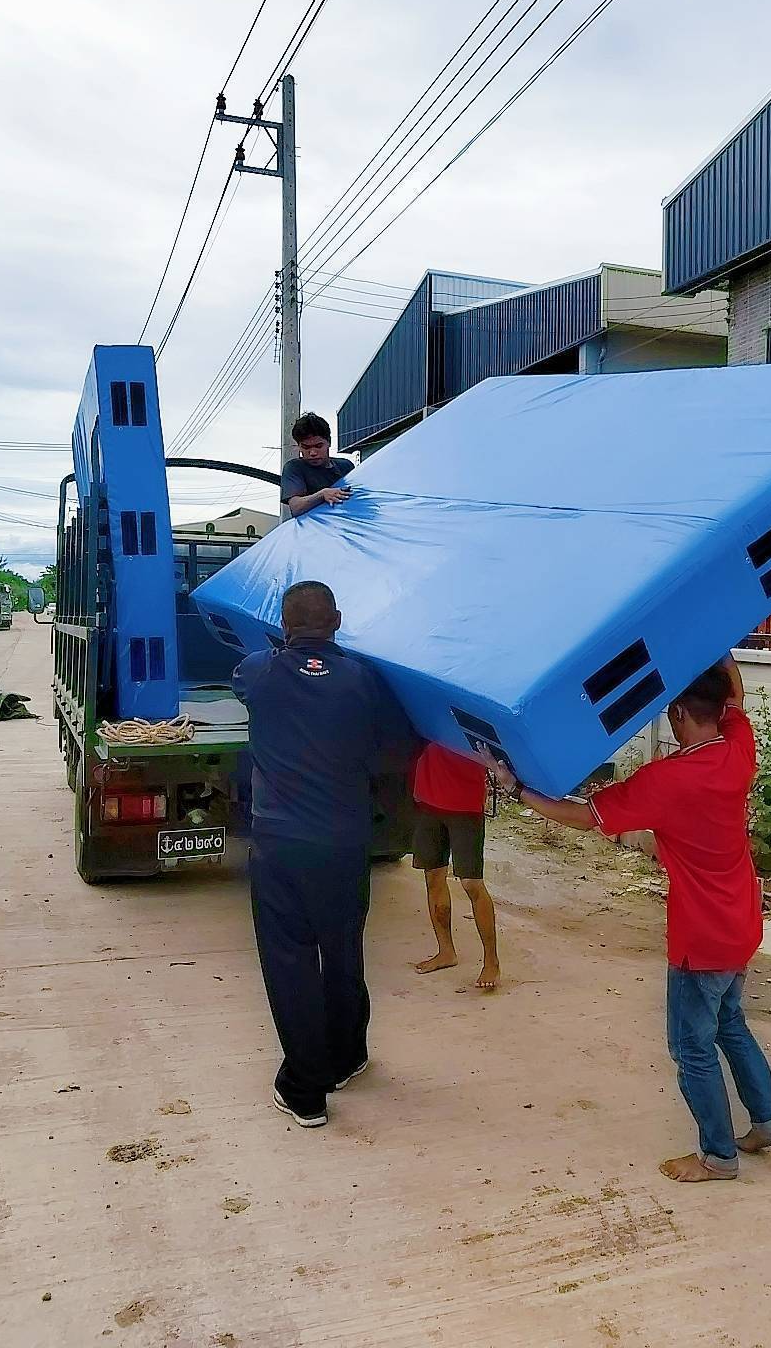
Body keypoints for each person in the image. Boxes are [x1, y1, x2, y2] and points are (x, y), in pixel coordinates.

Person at [482, 655, 771, 1186]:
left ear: (677, 713)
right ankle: (769, 1122)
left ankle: (718, 1157)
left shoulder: (667, 781)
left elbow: (586, 816)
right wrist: (716, 642)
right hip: (741, 923)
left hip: (701, 937)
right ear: (718, 710)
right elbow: (735, 695)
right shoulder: (737, 748)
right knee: (730, 1023)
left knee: (691, 1046)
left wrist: (515, 789)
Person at [233, 581, 418, 1127]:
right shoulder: (364, 679)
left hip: (279, 844)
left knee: (289, 960)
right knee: (342, 950)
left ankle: (305, 1091)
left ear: (283, 625)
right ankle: (347, 1055)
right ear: (337, 621)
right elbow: (396, 748)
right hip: (343, 842)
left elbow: (252, 677)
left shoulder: (258, 672)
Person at [411, 742, 499, 990]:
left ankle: (491, 961)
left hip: (465, 803)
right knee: (433, 876)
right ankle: (446, 952)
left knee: (471, 884)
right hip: (428, 798)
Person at [281, 412, 355, 518]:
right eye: (306, 447)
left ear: (329, 442)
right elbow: (296, 507)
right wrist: (322, 494)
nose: (313, 453)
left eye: (318, 446)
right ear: (299, 446)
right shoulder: (294, 468)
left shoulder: (346, 466)